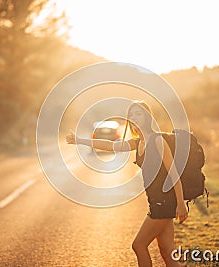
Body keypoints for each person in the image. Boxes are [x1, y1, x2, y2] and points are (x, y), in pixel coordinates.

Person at [66, 101, 188, 267]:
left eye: (138, 114)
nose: (134, 117)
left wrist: (181, 203)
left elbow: (174, 173)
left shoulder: (158, 140)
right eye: (131, 115)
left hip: (164, 203)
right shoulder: (137, 143)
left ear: (147, 117)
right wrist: (80, 140)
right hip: (156, 202)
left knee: (138, 245)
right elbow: (110, 146)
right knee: (167, 253)